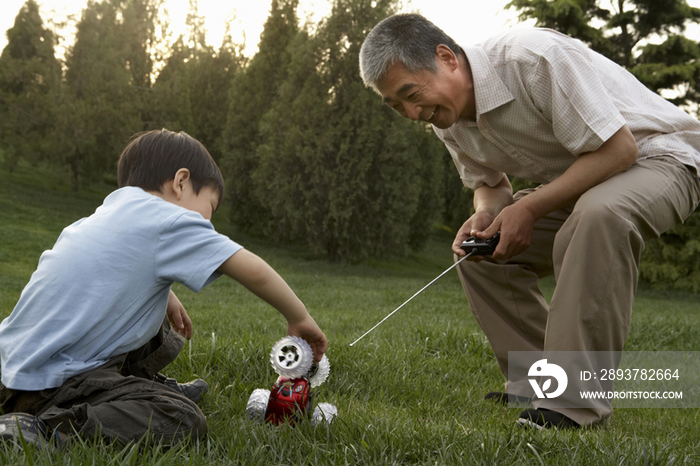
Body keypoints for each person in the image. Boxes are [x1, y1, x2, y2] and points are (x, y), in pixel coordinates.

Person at [359, 14, 700, 429]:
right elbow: (490, 185)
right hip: (586, 180)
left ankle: (573, 406)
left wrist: (530, 208)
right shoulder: (446, 118)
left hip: (663, 157)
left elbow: (619, 150)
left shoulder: (533, 59)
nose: (412, 113)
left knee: (598, 215)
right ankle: (540, 384)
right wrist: (486, 214)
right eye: (396, 105)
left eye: (411, 93)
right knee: (482, 254)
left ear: (446, 57)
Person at [0, 129, 328, 447]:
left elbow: (108, 275)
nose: (208, 225)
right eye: (209, 209)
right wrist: (298, 317)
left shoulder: (102, 215)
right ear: (181, 181)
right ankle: (45, 428)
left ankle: (139, 386)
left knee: (152, 314)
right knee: (181, 418)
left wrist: (166, 296)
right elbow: (248, 267)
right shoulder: (167, 220)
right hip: (50, 388)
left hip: (12, 369)